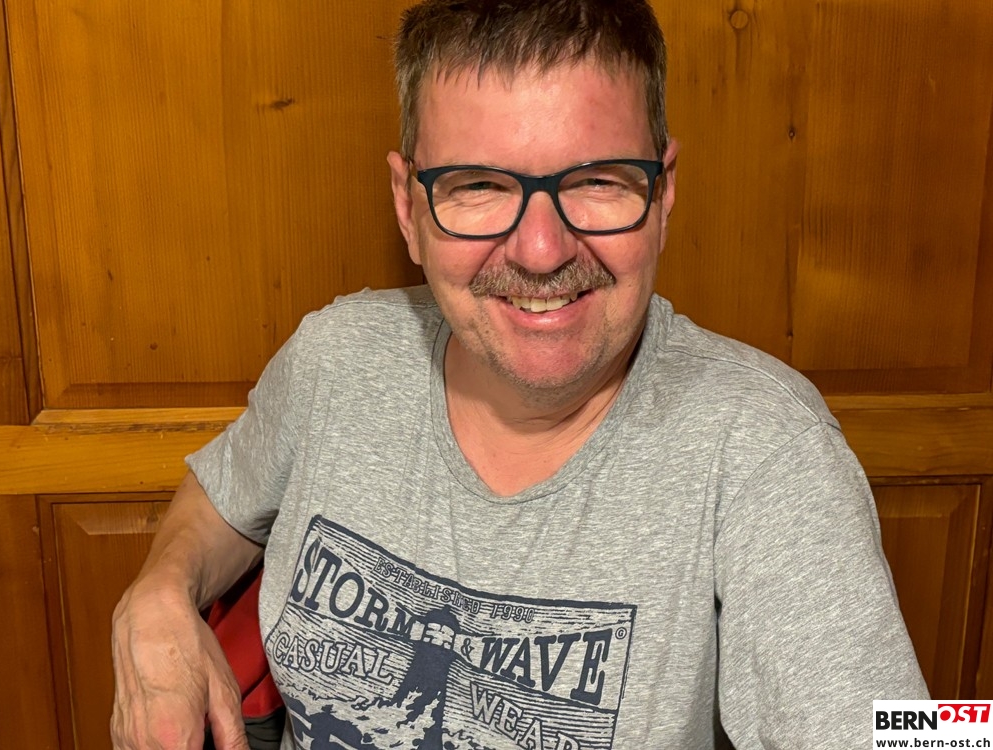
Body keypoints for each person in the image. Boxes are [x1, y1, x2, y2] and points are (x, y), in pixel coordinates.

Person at [110, 1, 928, 748]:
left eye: (597, 181)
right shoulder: (336, 355)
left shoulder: (767, 445)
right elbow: (224, 497)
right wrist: (156, 593)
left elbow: (909, 732)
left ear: (664, 192)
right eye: (479, 185)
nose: (541, 251)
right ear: (407, 206)